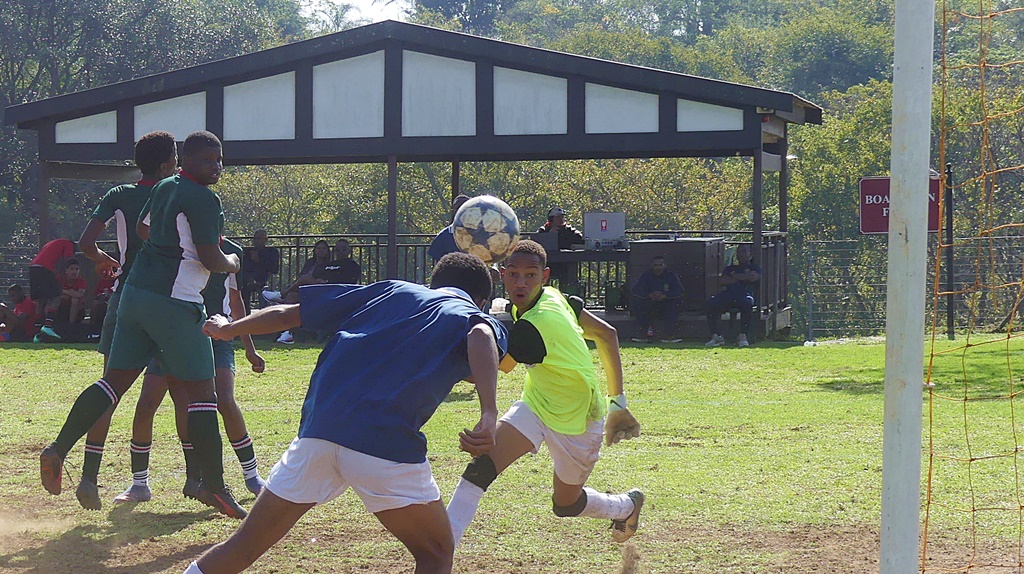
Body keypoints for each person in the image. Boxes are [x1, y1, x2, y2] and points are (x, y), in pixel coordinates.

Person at [181, 252, 508, 574]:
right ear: (480, 300)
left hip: (319, 432)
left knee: (244, 545)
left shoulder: (392, 290)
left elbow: (286, 314)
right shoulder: (472, 316)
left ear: (432, 282)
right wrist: (490, 414)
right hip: (384, 442)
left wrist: (229, 329)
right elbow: (480, 336)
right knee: (436, 552)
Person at [40, 130, 249, 519]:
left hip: (134, 296)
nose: (216, 166)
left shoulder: (167, 186)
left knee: (113, 383)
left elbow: (142, 229)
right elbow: (210, 256)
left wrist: (166, 247)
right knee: (203, 394)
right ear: (182, 159)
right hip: (176, 304)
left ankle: (58, 448)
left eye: (220, 159)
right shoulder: (204, 198)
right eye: (208, 160)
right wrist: (234, 262)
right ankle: (215, 488)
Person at [445, 240, 644, 550]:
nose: (520, 283)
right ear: (502, 274)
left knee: (566, 504)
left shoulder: (532, 328)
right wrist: (619, 401)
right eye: (513, 274)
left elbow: (489, 369)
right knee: (481, 467)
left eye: (530, 275)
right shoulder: (554, 297)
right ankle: (441, 549)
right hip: (536, 405)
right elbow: (607, 334)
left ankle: (626, 506)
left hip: (576, 420)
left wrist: (616, 406)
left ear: (545, 275)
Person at [113, 237, 267, 504]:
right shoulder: (171, 246)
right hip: (171, 335)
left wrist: (249, 346)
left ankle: (251, 475)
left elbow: (235, 299)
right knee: (151, 402)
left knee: (224, 401)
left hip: (216, 336)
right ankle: (142, 483)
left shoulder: (232, 252)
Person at [71, 130, 179, 511]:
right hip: (168, 302)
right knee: (180, 394)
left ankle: (89, 478)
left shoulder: (118, 194)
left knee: (109, 389)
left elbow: (85, 244)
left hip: (125, 296)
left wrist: (103, 259)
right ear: (168, 164)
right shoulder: (176, 193)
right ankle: (194, 479)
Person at [274, 238, 361, 344]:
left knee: (305, 279)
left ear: (349, 251)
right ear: (334, 251)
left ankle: (281, 294)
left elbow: (348, 282)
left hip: (335, 295)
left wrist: (327, 281)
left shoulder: (352, 266)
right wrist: (319, 280)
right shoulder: (328, 265)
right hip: (317, 293)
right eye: (338, 250)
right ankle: (289, 333)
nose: (341, 252)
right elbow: (316, 274)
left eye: (344, 249)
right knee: (292, 296)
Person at [705, 244, 761, 348]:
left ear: (750, 254)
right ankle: (717, 336)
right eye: (739, 251)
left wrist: (735, 276)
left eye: (744, 251)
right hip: (728, 295)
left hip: (745, 295)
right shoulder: (730, 268)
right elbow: (723, 280)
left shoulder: (755, 267)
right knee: (710, 303)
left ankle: (743, 336)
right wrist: (744, 278)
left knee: (747, 303)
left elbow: (753, 277)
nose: (741, 254)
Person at [28, 237, 76, 342]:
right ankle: (48, 326)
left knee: (41, 299)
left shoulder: (52, 243)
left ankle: (36, 332)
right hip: (44, 268)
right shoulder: (69, 244)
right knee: (56, 296)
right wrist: (62, 280)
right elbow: (66, 261)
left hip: (33, 267)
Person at [630, 255, 684, 343]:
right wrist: (649, 295)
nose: (658, 268)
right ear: (652, 266)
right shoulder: (646, 275)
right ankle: (644, 335)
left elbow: (679, 291)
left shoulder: (671, 275)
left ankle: (669, 336)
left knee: (675, 304)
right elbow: (636, 290)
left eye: (660, 265)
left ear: (664, 265)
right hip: (650, 304)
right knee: (638, 304)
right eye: (656, 265)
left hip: (666, 304)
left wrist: (665, 295)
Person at [261, 239, 331, 306]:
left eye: (323, 248)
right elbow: (302, 274)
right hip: (304, 287)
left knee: (305, 278)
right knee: (291, 296)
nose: (321, 250)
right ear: (315, 250)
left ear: (327, 251)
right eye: (319, 248)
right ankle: (284, 309)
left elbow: (326, 279)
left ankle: (282, 295)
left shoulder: (329, 265)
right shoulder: (310, 262)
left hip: (316, 289)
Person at [535, 207, 584, 291]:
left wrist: (576, 246)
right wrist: (550, 236)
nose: (561, 219)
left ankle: (567, 295)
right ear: (551, 219)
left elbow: (582, 240)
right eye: (558, 217)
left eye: (562, 217)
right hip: (548, 263)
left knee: (571, 270)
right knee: (542, 273)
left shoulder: (569, 231)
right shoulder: (543, 231)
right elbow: (536, 245)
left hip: (564, 264)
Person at [240, 229, 279, 311]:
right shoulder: (248, 252)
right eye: (255, 239)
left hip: (262, 279)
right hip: (247, 279)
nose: (256, 241)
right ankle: (245, 312)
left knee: (252, 284)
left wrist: (259, 260)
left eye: (259, 239)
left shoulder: (271, 252)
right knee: (242, 285)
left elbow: (274, 269)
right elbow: (243, 267)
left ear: (265, 240)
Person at [427, 194, 470, 265]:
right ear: (453, 212)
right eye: (458, 209)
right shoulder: (443, 237)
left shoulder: (479, 235)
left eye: (465, 209)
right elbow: (438, 266)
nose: (462, 212)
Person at [57, 257, 87, 324]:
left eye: (77, 269)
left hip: (78, 311)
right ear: (66, 270)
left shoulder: (81, 281)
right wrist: (70, 292)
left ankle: (71, 325)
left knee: (75, 300)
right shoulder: (59, 279)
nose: (74, 272)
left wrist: (63, 291)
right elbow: (54, 291)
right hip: (61, 308)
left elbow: (79, 295)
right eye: (72, 269)